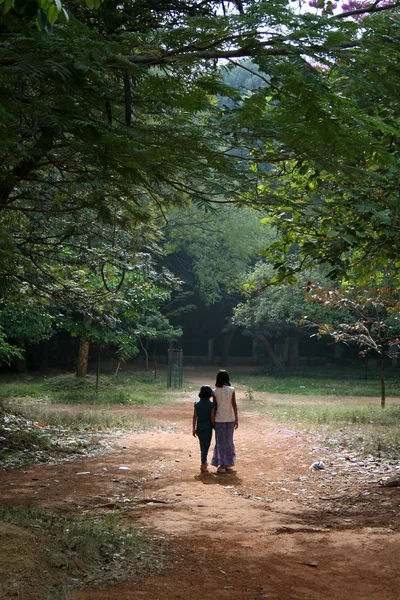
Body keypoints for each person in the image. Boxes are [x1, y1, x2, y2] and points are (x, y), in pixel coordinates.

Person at [211, 370, 238, 474]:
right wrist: (236, 418)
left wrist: (212, 420)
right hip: (230, 418)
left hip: (219, 419)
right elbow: (234, 405)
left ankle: (221, 464)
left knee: (220, 442)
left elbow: (214, 406)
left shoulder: (215, 391)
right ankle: (227, 462)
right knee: (229, 441)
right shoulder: (231, 390)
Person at [192, 385, 215, 473]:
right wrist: (215, 426)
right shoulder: (211, 405)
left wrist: (193, 428)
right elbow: (212, 418)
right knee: (206, 445)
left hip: (199, 427)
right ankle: (203, 463)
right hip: (208, 427)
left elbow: (194, 417)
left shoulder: (197, 404)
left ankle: (204, 461)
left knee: (202, 445)